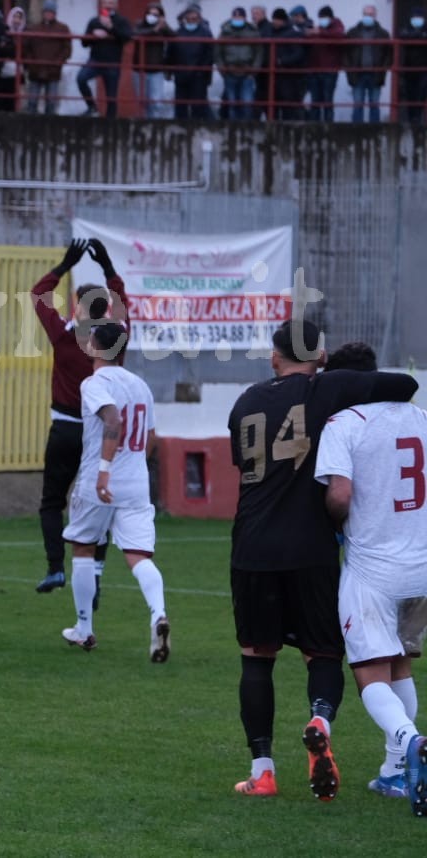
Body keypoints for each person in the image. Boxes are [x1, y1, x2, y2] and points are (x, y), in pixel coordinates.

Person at [227, 319, 419, 799]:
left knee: (256, 659)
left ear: (273, 357)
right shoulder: (327, 392)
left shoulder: (245, 401)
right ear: (320, 358)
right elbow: (405, 383)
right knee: (326, 654)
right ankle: (321, 720)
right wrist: (332, 375)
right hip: (313, 547)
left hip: (252, 545)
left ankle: (264, 771)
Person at [312, 341, 427, 804]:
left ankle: (412, 741)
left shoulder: (345, 423)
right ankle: (395, 772)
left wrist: (334, 524)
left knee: (369, 671)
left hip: (373, 567)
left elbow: (339, 495)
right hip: (422, 564)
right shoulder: (421, 417)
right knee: (400, 663)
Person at [60, 322, 168, 659]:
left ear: (95, 346)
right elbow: (150, 437)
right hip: (136, 480)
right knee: (138, 555)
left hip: (99, 479)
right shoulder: (141, 385)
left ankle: (84, 629)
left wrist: (105, 471)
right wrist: (132, 467)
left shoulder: (94, 383)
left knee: (83, 548)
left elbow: (113, 421)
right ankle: (158, 613)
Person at [30, 238, 125, 594]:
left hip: (65, 429)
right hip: (100, 432)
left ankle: (55, 567)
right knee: (98, 501)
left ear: (78, 307)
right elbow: (123, 301)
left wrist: (63, 266)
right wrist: (109, 269)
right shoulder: (117, 339)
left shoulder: (64, 334)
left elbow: (39, 294)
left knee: (52, 502)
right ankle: (95, 570)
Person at [76, 0, 131, 118]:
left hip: (113, 63)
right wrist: (93, 35)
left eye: (111, 3)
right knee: (81, 78)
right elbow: (84, 43)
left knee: (111, 97)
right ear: (101, 4)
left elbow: (127, 37)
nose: (108, 5)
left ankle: (110, 126)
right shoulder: (94, 21)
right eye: (105, 2)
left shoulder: (121, 21)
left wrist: (111, 28)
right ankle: (92, 107)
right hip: (95, 60)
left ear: (116, 5)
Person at [20, 0, 71, 116]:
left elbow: (66, 49)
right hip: (35, 70)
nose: (48, 14)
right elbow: (26, 48)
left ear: (55, 13)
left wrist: (57, 63)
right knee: (32, 102)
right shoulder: (33, 28)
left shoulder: (63, 28)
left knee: (51, 104)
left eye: (51, 12)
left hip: (53, 71)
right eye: (46, 11)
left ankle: (51, 130)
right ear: (43, 13)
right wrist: (32, 64)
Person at [166, 4, 215, 121]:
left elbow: (210, 53)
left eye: (195, 18)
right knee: (180, 104)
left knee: (197, 105)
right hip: (181, 73)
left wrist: (201, 70)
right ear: (185, 18)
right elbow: (170, 52)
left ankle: (197, 127)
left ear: (199, 19)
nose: (191, 21)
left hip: (198, 75)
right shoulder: (177, 32)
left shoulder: (205, 33)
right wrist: (170, 70)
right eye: (189, 18)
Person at [344, 5, 390, 123]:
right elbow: (345, 53)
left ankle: (375, 133)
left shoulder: (383, 34)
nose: (367, 17)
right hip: (357, 74)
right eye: (365, 14)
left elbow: (389, 54)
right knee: (357, 105)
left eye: (370, 15)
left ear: (375, 16)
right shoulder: (352, 33)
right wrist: (349, 70)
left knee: (374, 105)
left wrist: (383, 69)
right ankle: (356, 132)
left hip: (376, 74)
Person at [216, 6, 261, 122]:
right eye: (234, 16)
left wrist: (254, 70)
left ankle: (246, 129)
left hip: (247, 72)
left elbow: (258, 52)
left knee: (247, 103)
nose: (237, 18)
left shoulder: (252, 32)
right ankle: (233, 130)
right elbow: (218, 52)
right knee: (232, 104)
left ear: (245, 18)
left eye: (239, 16)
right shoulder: (225, 31)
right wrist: (222, 69)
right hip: (229, 72)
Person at [266, 7, 309, 121]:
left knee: (290, 105)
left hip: (290, 76)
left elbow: (298, 53)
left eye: (276, 19)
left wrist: (281, 61)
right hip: (276, 75)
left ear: (283, 21)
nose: (274, 22)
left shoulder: (293, 33)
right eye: (273, 19)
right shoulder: (272, 32)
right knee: (275, 104)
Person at [131, 2, 172, 119]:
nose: (152, 16)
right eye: (150, 13)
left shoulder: (162, 27)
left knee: (156, 103)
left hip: (156, 70)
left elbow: (174, 36)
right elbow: (136, 34)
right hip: (139, 70)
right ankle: (143, 123)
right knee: (142, 101)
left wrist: (164, 25)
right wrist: (155, 29)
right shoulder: (139, 25)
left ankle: (154, 124)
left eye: (156, 14)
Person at [307, 5, 345, 120]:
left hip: (329, 70)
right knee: (315, 100)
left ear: (330, 18)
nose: (321, 20)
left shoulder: (337, 26)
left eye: (323, 17)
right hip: (315, 69)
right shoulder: (319, 30)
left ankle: (329, 126)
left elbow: (339, 36)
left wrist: (319, 32)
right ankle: (314, 126)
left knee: (328, 100)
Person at [400, 8, 427, 128]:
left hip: (424, 69)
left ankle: (418, 118)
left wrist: (416, 36)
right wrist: (419, 35)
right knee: (410, 94)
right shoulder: (406, 28)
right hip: (408, 68)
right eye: (415, 17)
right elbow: (403, 36)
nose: (417, 20)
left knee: (421, 93)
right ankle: (412, 119)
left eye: (419, 17)